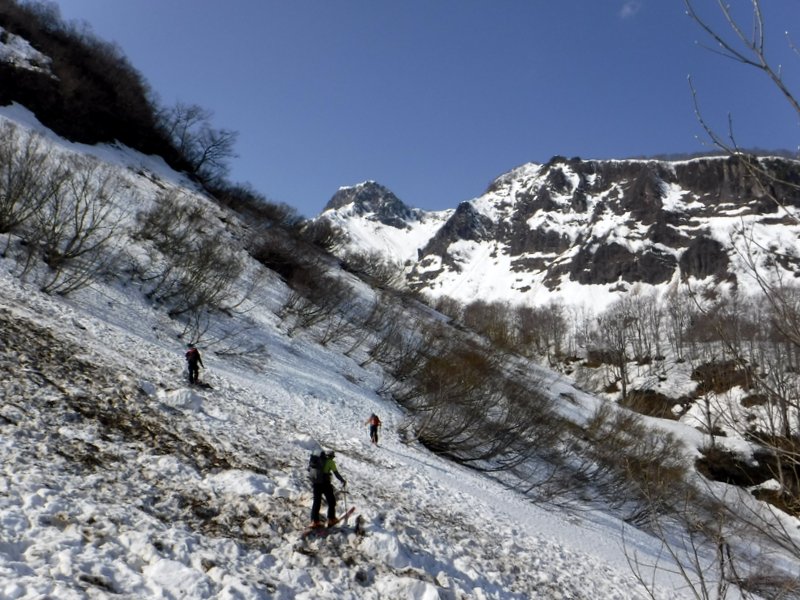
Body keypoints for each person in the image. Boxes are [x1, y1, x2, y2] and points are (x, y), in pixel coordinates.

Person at [309, 450, 347, 528]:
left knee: (316, 502)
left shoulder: (316, 461)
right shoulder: (330, 462)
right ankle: (331, 519)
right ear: (332, 456)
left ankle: (314, 521)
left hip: (316, 484)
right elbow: (336, 473)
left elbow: (309, 469)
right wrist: (342, 480)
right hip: (325, 484)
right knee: (331, 501)